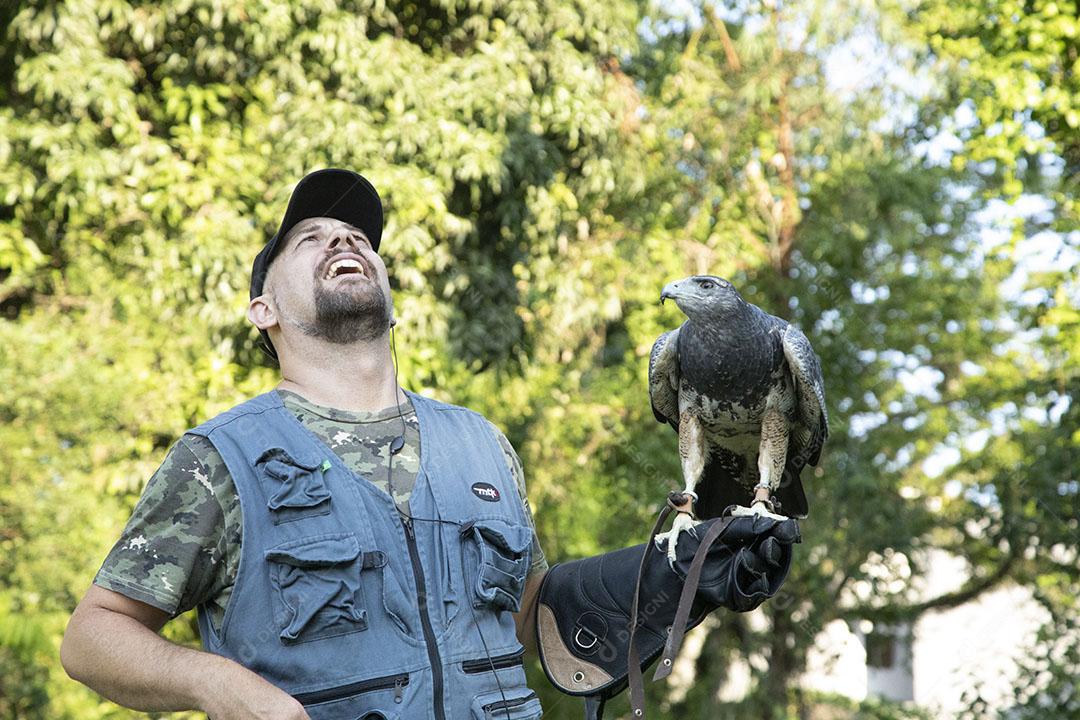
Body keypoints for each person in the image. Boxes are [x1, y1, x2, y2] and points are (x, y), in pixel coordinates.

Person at [62, 168, 799, 720]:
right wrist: (212, 681)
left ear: (388, 293)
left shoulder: (479, 444)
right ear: (265, 310)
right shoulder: (221, 459)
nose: (342, 239)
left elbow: (528, 616)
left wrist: (678, 573)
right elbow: (93, 638)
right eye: (308, 240)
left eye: (355, 239)